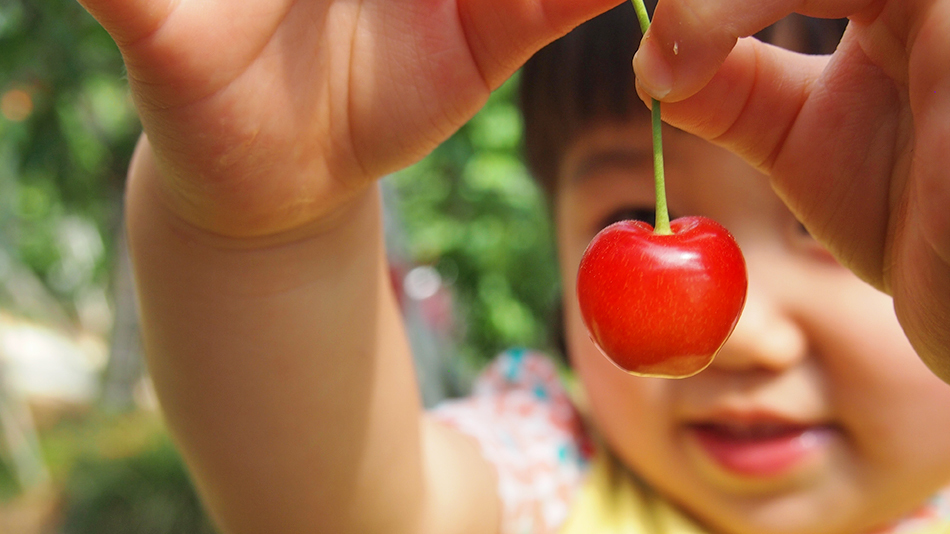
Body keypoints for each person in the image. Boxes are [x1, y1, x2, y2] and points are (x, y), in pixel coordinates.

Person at [74, 0, 950, 532]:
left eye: (811, 222)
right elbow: (345, 514)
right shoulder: (549, 478)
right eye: (618, 214)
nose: (743, 339)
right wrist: (265, 217)